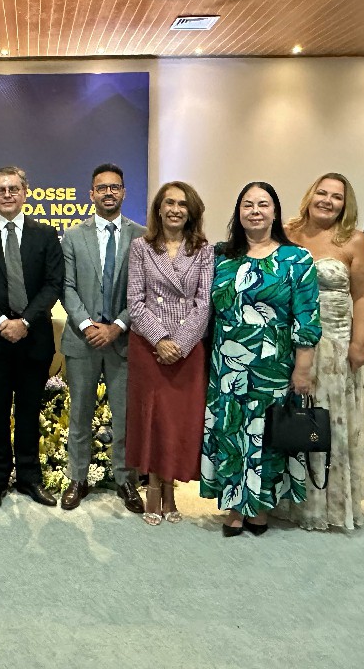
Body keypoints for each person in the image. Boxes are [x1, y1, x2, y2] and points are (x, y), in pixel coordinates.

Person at [199, 181, 321, 537]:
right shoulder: (220, 256)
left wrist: (303, 368)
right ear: (238, 212)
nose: (255, 211)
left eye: (263, 204)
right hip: (227, 362)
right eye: (248, 204)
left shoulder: (296, 258)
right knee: (231, 430)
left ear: (275, 212)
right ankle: (235, 505)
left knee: (266, 432)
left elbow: (307, 317)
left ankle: (261, 507)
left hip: (273, 365)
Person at [0, 166, 64, 512]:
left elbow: (53, 284)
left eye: (13, 189)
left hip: (33, 340)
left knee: (30, 412)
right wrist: (1, 321)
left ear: (25, 193)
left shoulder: (45, 234)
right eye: (0, 190)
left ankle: (30, 478)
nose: (7, 194)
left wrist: (25, 322)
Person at [277, 173, 364, 531]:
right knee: (287, 416)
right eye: (322, 192)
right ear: (310, 195)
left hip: (334, 345)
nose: (328, 201)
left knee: (326, 420)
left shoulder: (354, 240)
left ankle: (326, 504)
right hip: (286, 341)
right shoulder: (285, 233)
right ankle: (284, 500)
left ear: (345, 205)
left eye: (337, 197)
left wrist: (360, 343)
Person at [59, 164, 146, 514]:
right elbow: (66, 286)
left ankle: (125, 479)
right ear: (91, 194)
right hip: (82, 340)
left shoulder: (142, 236)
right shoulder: (72, 236)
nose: (108, 193)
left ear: (123, 192)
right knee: (79, 414)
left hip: (124, 340)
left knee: (125, 417)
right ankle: (77, 478)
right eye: (102, 188)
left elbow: (143, 290)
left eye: (115, 187)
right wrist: (87, 325)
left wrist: (118, 326)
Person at [126, 182, 213, 526]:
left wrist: (180, 343)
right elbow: (135, 302)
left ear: (191, 211)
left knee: (177, 421)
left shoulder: (203, 249)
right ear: (159, 209)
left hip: (187, 349)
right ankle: (153, 487)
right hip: (149, 347)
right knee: (153, 419)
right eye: (169, 203)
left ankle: (170, 488)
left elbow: (204, 302)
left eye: (182, 204)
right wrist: (161, 339)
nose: (176, 209)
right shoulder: (141, 247)